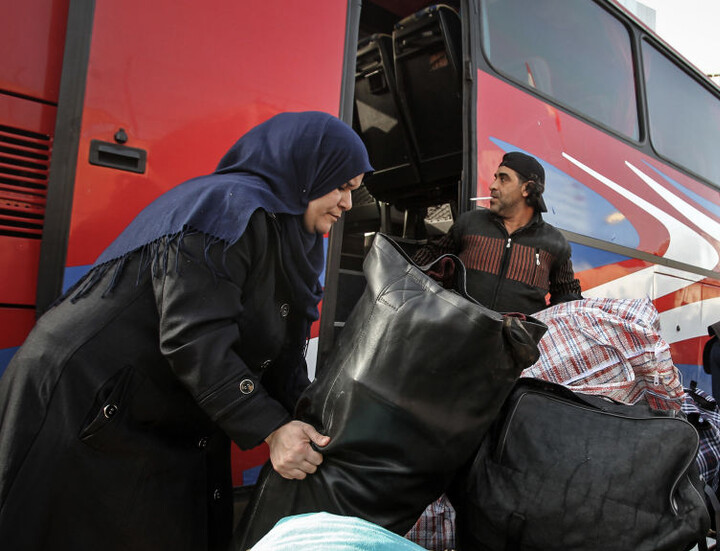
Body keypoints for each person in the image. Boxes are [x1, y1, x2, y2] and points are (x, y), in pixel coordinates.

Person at [0, 112, 373, 550]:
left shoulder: (293, 236)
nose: (349, 204)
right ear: (308, 173)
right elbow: (193, 337)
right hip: (87, 400)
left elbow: (285, 355)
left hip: (138, 409)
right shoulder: (224, 208)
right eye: (342, 186)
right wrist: (273, 429)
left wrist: (317, 423)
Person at [413, 151, 582, 315]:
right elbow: (431, 257)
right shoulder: (469, 223)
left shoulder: (555, 243)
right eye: (495, 178)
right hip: (458, 334)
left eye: (503, 179)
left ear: (527, 189)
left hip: (512, 342)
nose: (492, 185)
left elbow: (568, 297)